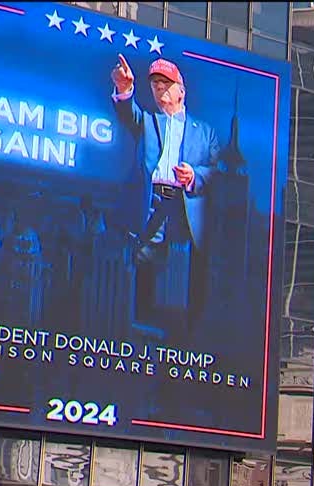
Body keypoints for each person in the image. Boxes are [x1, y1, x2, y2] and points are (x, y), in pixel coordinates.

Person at [111, 53, 221, 335]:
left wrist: (195, 175)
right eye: (155, 84)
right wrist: (124, 90)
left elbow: (218, 171)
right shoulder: (148, 121)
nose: (159, 88)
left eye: (166, 83)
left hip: (185, 207)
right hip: (152, 204)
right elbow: (127, 113)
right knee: (144, 262)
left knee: (185, 272)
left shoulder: (204, 132)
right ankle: (142, 326)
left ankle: (186, 333)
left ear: (181, 91)